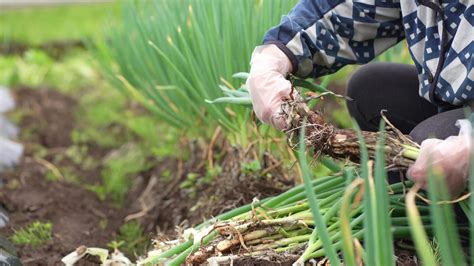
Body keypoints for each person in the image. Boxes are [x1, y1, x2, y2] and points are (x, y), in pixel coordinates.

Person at [247, 0, 473, 196]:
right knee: (369, 90)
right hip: (457, 102)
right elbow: (343, 12)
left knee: (427, 138)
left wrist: (467, 147)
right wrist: (277, 54)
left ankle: (448, 233)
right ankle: (404, 204)